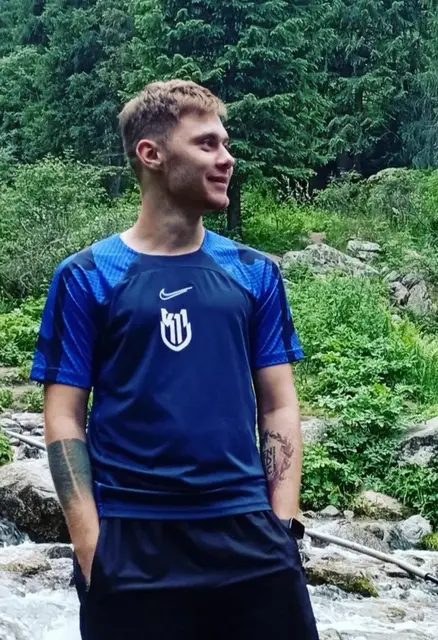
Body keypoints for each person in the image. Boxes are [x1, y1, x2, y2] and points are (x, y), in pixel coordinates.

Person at [30, 79, 319, 640]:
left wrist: (283, 525)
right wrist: (90, 547)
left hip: (249, 537)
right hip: (132, 541)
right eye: (207, 144)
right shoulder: (87, 276)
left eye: (225, 144)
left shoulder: (253, 271)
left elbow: (279, 405)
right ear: (152, 154)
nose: (227, 158)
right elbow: (64, 417)